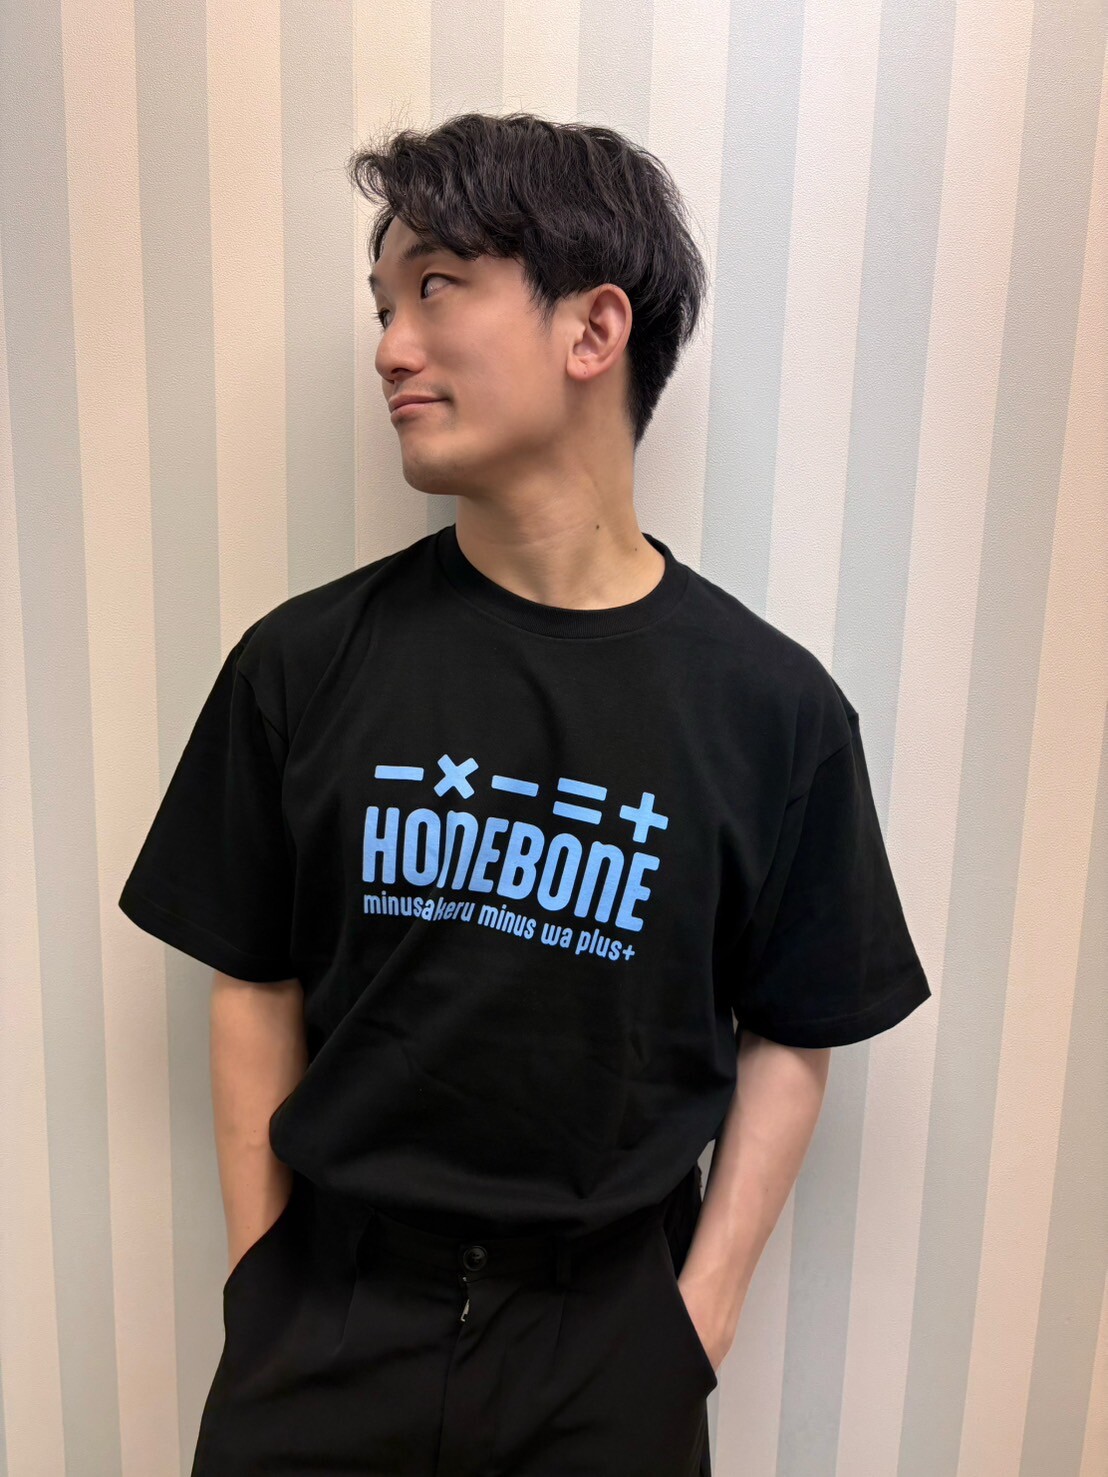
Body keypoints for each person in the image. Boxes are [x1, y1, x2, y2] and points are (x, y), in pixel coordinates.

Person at [118, 111, 932, 1477]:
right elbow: (251, 980)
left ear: (593, 329)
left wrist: (698, 1318)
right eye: (383, 304)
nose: (391, 346)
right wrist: (265, 1277)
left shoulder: (772, 710)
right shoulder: (299, 664)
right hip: (327, 1324)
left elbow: (797, 1028)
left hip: (606, 1346)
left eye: (436, 286)